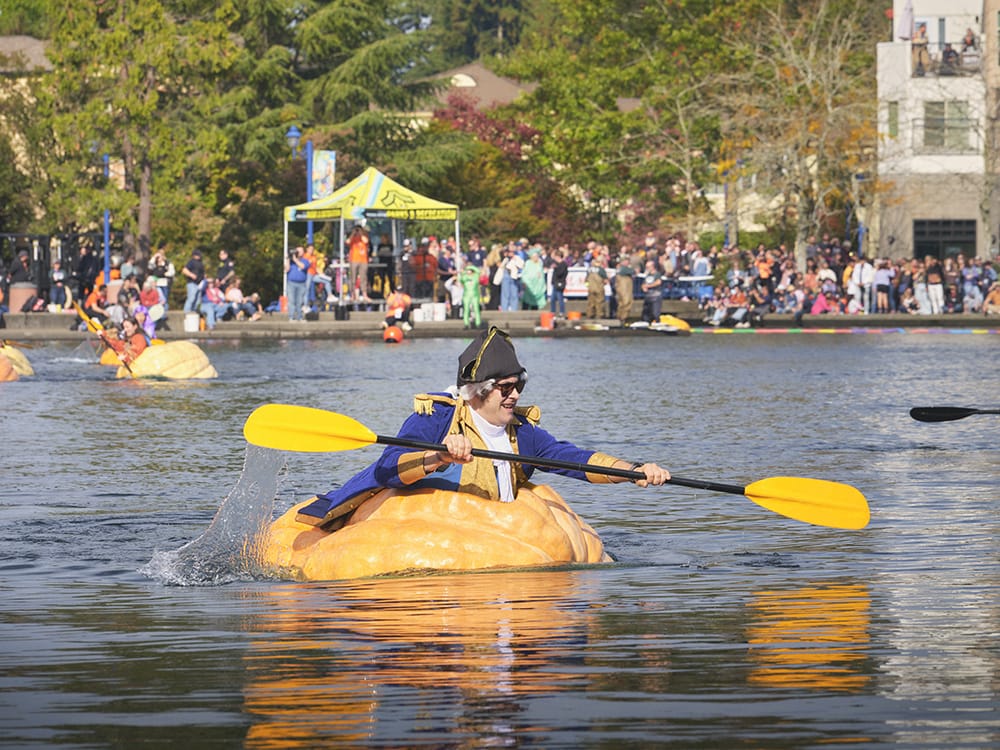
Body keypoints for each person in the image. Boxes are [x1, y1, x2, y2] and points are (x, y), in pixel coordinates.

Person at [299, 326, 671, 524]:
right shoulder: (437, 418)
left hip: (494, 539)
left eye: (518, 386)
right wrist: (438, 458)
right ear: (479, 390)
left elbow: (571, 459)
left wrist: (633, 471)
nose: (514, 395)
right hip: (425, 534)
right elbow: (388, 467)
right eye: (505, 388)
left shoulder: (522, 433)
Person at [347, 224, 371, 302]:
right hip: (354, 259)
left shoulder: (364, 236)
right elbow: (347, 241)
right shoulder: (353, 238)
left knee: (363, 278)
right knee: (352, 278)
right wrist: (353, 233)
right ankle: (352, 295)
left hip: (363, 260)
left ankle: (364, 295)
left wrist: (361, 233)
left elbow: (366, 241)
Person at [285, 245, 309, 321]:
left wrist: (295, 260)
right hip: (291, 283)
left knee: (300, 301)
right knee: (291, 301)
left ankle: (300, 317)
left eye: (300, 251)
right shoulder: (291, 261)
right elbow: (287, 269)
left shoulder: (305, 261)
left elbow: (303, 267)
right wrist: (288, 259)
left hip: (301, 284)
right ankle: (291, 317)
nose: (298, 252)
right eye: (297, 251)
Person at [459, 264, 482, 329]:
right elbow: (460, 279)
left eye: (470, 270)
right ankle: (466, 324)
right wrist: (464, 271)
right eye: (468, 270)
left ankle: (478, 324)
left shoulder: (476, 276)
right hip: (466, 296)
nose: (469, 271)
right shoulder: (464, 277)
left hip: (475, 296)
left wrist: (469, 266)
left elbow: (478, 271)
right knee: (466, 310)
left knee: (476, 309)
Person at [549, 248, 568, 317]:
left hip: (559, 283)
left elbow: (560, 273)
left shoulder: (563, 264)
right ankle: (552, 311)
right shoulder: (557, 264)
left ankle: (562, 311)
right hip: (555, 283)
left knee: (560, 298)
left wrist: (556, 268)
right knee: (552, 299)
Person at [614, 258, 634, 325]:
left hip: (621, 289)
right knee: (626, 302)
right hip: (624, 289)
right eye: (626, 261)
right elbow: (633, 271)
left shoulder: (619, 269)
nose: (628, 262)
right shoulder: (623, 269)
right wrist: (633, 269)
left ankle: (619, 317)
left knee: (621, 303)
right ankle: (623, 318)